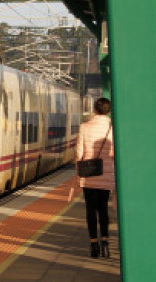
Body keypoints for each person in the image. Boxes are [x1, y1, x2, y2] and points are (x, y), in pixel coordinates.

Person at [69, 97, 115, 258]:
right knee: (103, 209)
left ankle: (94, 244)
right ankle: (106, 243)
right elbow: (114, 153)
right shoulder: (112, 128)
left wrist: (78, 170)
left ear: (95, 109)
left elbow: (79, 154)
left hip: (88, 175)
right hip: (106, 175)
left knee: (90, 210)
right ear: (108, 111)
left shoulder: (85, 127)